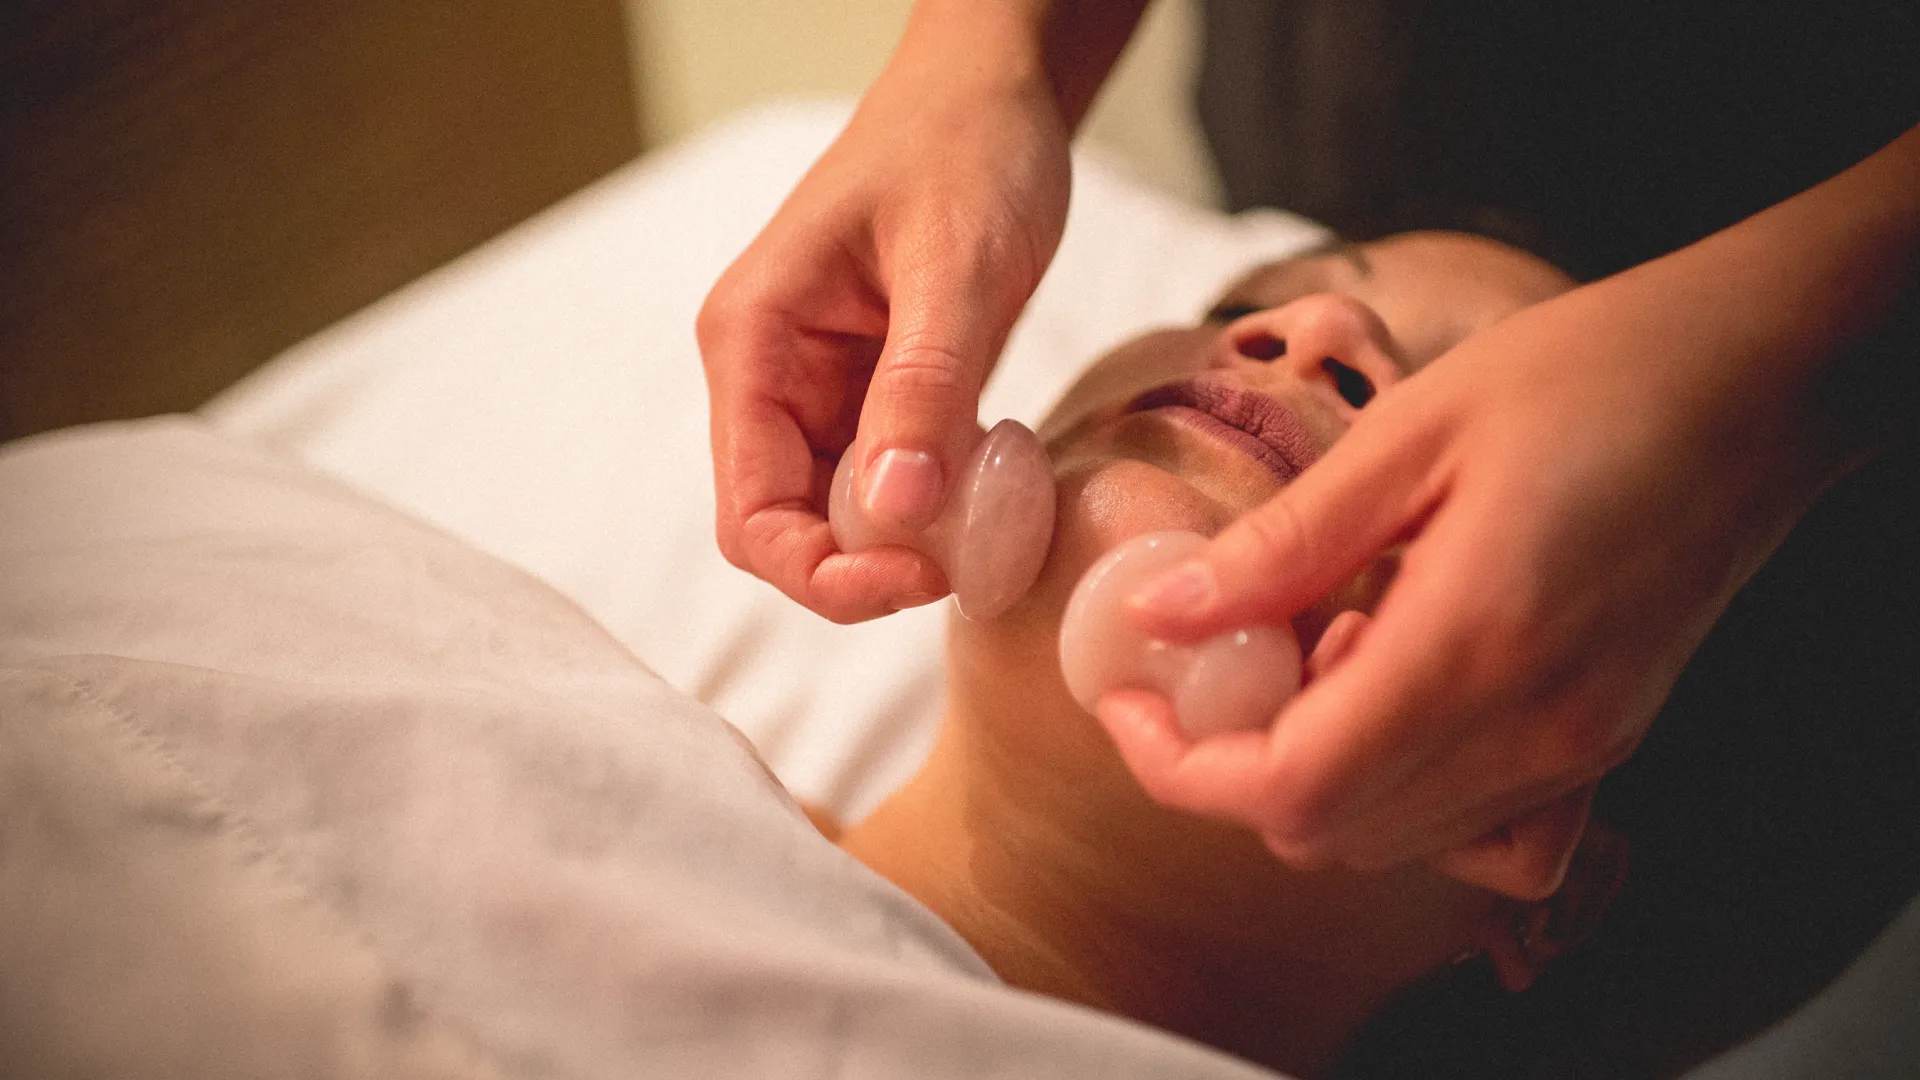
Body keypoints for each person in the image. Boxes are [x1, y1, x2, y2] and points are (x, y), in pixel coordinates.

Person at [696, 0, 1920, 887]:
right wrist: (981, 57)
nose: (1311, 322)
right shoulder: (603, 781)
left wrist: (1819, 348)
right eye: (1243, 304)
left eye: (1452, 400)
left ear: (1542, 862)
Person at [823, 228, 1633, 1077]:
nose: (1319, 322)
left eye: (1470, 429)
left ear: (1560, 890)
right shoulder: (677, 773)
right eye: (1249, 302)